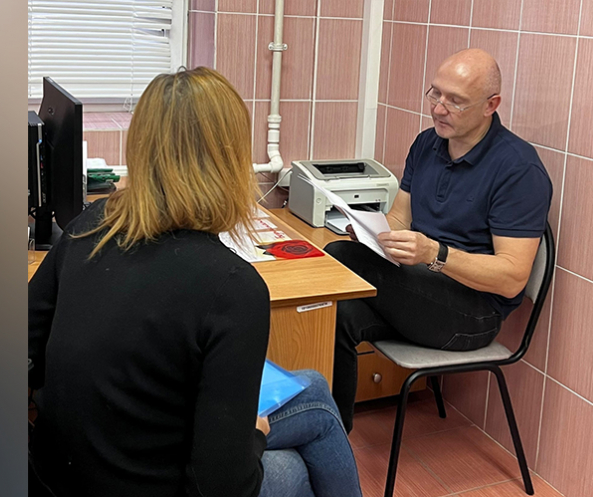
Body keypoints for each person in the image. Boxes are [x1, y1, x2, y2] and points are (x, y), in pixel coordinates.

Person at [28, 67, 361, 497]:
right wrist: (254, 436)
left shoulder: (89, 225)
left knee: (313, 385)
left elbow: (27, 348)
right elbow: (220, 487)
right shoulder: (233, 288)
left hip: (56, 476)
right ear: (229, 162)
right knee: (293, 467)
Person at [325, 49, 553, 432]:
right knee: (334, 311)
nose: (438, 108)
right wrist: (371, 233)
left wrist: (434, 253)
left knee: (339, 255)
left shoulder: (518, 169)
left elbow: (513, 278)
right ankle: (331, 439)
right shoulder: (426, 144)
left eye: (455, 101)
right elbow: (399, 219)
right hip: (420, 291)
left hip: (473, 315)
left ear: (491, 105)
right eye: (435, 93)